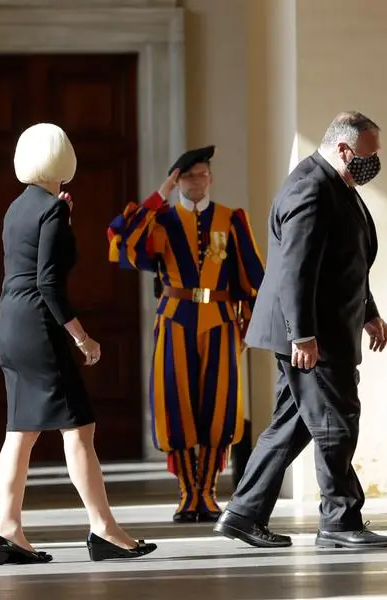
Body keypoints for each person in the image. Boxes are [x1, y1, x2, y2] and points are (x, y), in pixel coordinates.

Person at [214, 111, 387, 550]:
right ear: (344, 149)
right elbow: (295, 271)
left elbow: (343, 261)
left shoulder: (337, 185)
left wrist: (368, 311)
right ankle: (339, 521)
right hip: (313, 335)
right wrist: (303, 336)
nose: (374, 162)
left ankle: (242, 513)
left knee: (293, 423)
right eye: (369, 155)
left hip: (323, 328)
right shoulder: (311, 188)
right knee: (336, 423)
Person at [0, 123, 157, 565]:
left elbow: (29, 264)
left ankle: (7, 531)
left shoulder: (17, 208)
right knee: (78, 428)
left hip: (9, 323)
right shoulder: (53, 210)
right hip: (39, 326)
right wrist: (82, 337)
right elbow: (49, 283)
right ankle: (104, 529)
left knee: (20, 431)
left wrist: (60, 214)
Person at [108, 146, 265, 524]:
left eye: (202, 174)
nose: (197, 181)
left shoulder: (230, 219)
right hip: (175, 319)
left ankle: (207, 492)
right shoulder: (159, 219)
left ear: (210, 178)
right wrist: (159, 195)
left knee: (218, 405)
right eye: (188, 176)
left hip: (221, 321)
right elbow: (123, 246)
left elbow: (253, 276)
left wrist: (252, 324)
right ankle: (187, 493)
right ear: (176, 180)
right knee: (174, 404)